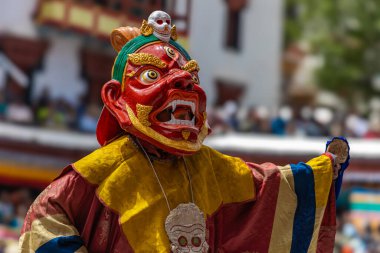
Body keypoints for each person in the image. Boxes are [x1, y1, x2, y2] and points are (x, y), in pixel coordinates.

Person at [19, 11, 350, 253]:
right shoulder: (97, 173)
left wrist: (322, 172)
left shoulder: (212, 169)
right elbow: (45, 221)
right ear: (115, 98)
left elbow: (268, 186)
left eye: (189, 78)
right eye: (151, 76)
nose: (181, 82)